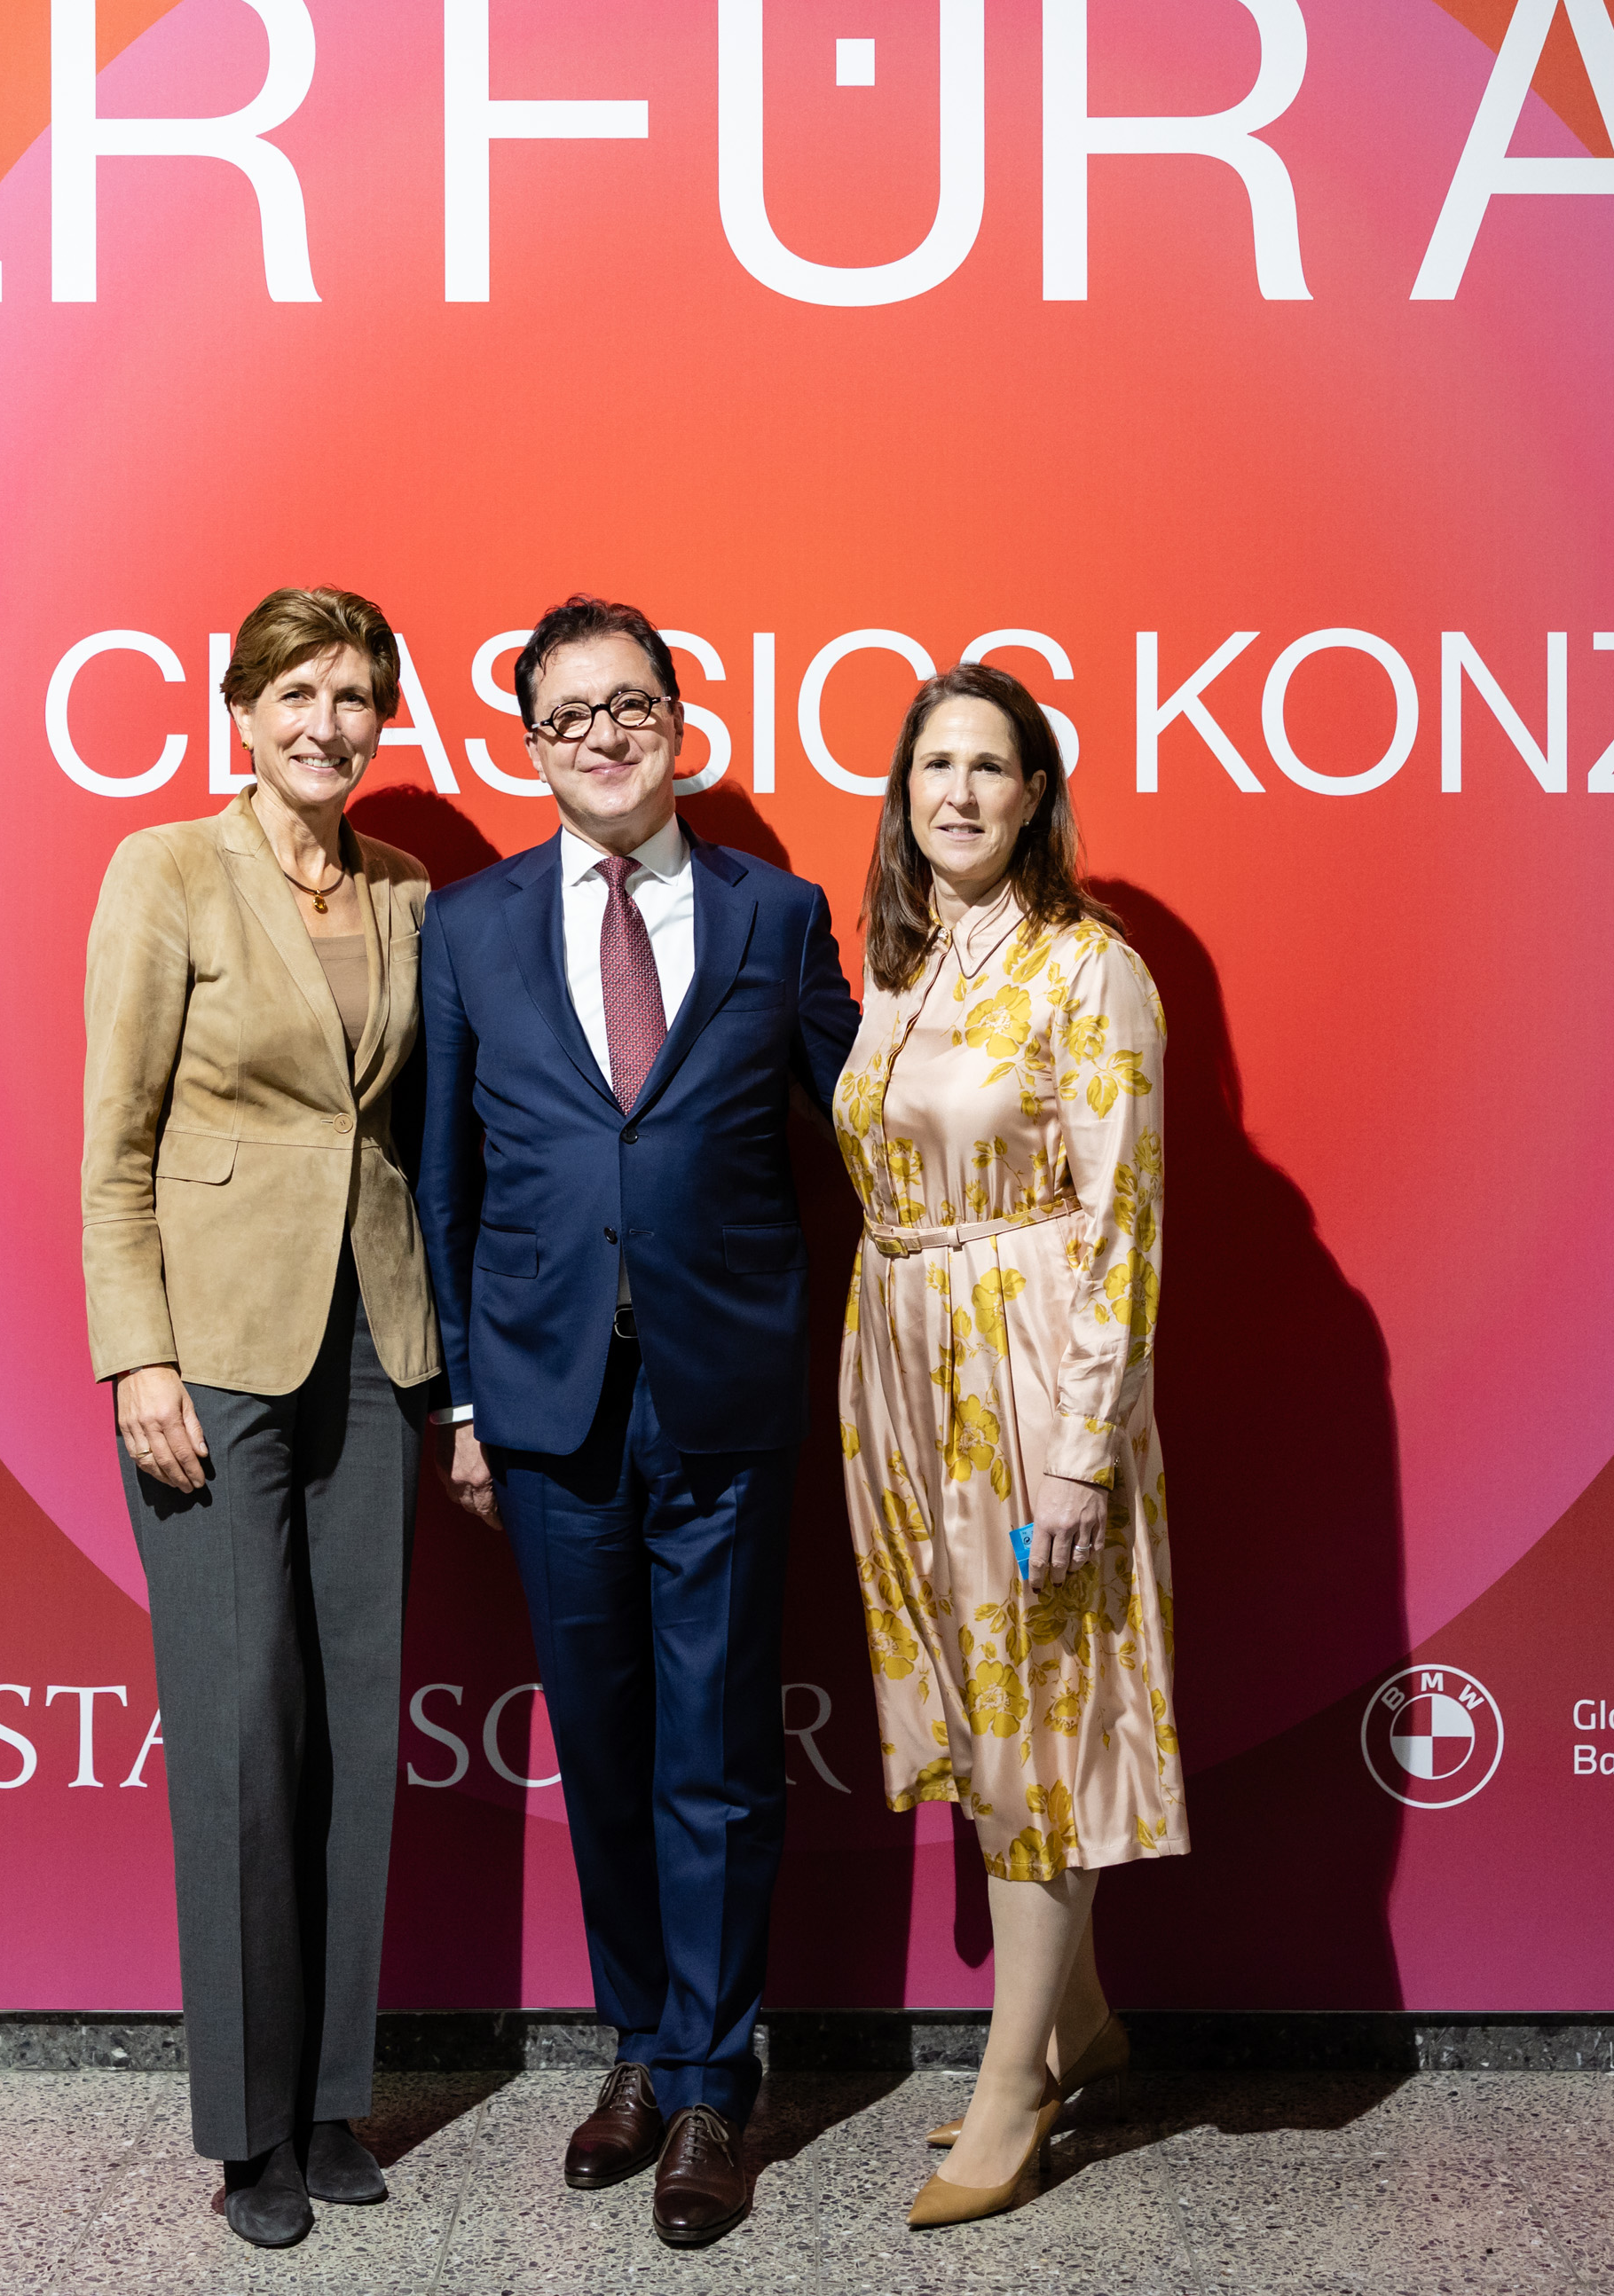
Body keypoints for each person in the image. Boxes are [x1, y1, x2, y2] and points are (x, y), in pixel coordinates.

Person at [417, 594, 862, 2252]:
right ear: (530, 746)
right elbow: (446, 1184)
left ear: (678, 721)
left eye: (629, 707)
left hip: (725, 1398)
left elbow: (870, 1120)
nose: (602, 738)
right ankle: (642, 2044)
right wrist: (467, 1395)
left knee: (719, 1756)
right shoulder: (468, 929)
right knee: (603, 1749)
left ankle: (715, 2085)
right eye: (568, 717)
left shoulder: (776, 915)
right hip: (547, 1409)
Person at [80, 585, 444, 2251]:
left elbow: (418, 1135)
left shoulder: (410, 890)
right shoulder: (165, 869)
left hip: (374, 1336)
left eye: (355, 696)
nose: (327, 723)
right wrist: (136, 1357)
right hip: (213, 1351)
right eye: (296, 693)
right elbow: (117, 1140)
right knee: (242, 1727)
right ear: (240, 713)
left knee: (355, 1720)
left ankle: (331, 2097)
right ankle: (248, 2131)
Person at [831, 663, 1184, 2230]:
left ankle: (1012, 2089)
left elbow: (1124, 1227)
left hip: (1033, 1383)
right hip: (904, 1376)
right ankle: (1081, 2020)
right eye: (935, 767)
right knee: (982, 1712)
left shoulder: (1092, 969)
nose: (959, 793)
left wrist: (1083, 1453)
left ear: (1037, 796)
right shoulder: (900, 965)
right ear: (904, 797)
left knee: (1039, 1712)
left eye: (991, 766)